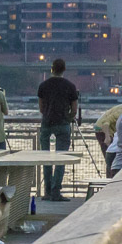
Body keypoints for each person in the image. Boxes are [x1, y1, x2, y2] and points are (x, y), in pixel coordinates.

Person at [35, 59, 81, 201]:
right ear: (64, 69)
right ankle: (56, 191)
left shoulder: (43, 86)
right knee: (61, 158)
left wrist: (48, 115)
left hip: (47, 123)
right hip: (63, 124)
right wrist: (67, 118)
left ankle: (47, 191)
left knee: (46, 158)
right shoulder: (70, 86)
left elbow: (41, 108)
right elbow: (74, 110)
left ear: (52, 69)